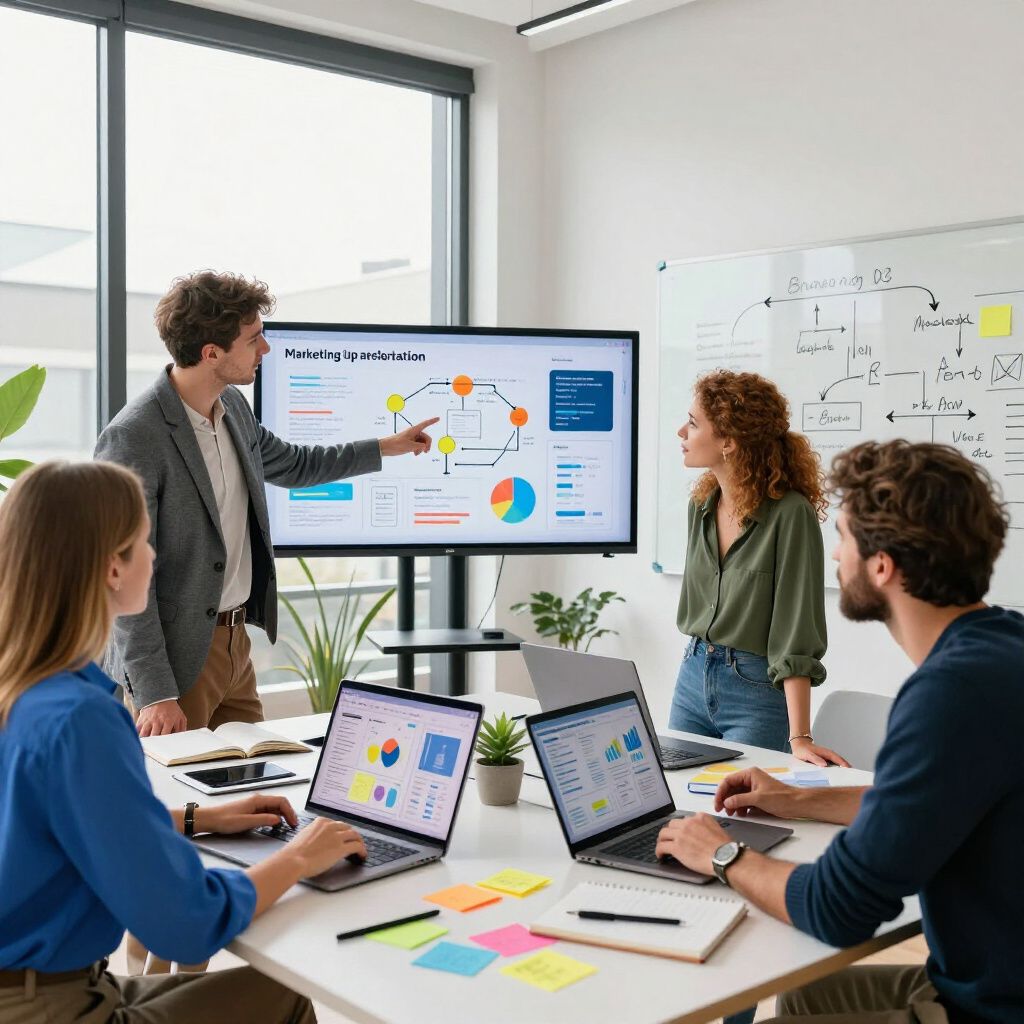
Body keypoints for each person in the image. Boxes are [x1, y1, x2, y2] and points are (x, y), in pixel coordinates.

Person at [656, 440, 1024, 1024]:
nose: (835, 555)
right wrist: (796, 800)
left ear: (882, 566)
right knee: (806, 996)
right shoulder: (1004, 644)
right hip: (982, 977)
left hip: (989, 1008)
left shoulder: (950, 695)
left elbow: (837, 908)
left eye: (844, 538)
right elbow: (917, 803)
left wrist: (721, 853)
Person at [0, 460, 369, 1024]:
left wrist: (199, 819)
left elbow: (47, 825)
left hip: (43, 988)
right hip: (50, 1008)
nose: (155, 558)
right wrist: (298, 857)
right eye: (145, 542)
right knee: (282, 996)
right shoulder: (81, 718)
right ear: (113, 568)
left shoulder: (24, 689)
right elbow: (184, 921)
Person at [94, 271, 438, 740]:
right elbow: (120, 575)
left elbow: (296, 464)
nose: (266, 349)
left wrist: (385, 447)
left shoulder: (233, 407)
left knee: (255, 779)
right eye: (254, 339)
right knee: (181, 786)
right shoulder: (134, 436)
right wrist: (155, 692)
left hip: (236, 645)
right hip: (175, 663)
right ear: (211, 353)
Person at [671, 370, 847, 768]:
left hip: (755, 689)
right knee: (674, 793)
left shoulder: (791, 514)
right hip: (692, 676)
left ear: (729, 442)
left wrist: (800, 737)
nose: (681, 431)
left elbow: (796, 630)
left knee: (742, 802)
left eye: (694, 423)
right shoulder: (700, 508)